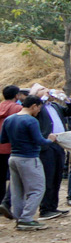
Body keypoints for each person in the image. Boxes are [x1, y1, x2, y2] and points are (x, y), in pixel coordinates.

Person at [1, 95, 50, 230]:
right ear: (34, 106)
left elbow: (3, 139)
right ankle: (27, 218)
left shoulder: (9, 119)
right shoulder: (31, 121)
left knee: (17, 190)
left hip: (13, 157)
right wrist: (51, 139)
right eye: (39, 108)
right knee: (37, 189)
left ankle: (19, 218)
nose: (39, 111)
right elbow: (40, 141)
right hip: (29, 158)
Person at [31, 85, 69, 220]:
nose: (47, 90)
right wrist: (45, 97)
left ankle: (53, 206)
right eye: (42, 89)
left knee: (57, 176)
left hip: (59, 144)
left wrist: (66, 99)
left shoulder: (55, 106)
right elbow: (35, 102)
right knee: (48, 176)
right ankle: (45, 208)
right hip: (46, 146)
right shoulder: (37, 107)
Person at [0, 84, 24, 220]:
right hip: (12, 148)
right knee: (15, 178)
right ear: (17, 96)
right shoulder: (18, 109)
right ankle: (8, 203)